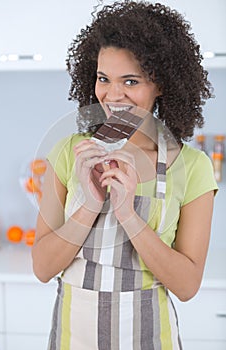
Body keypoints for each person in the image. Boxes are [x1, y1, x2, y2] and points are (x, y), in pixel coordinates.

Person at [32, 1, 218, 349]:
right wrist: (90, 204)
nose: (112, 95)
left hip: (149, 339)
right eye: (104, 78)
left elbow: (187, 285)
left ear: (161, 84)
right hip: (74, 339)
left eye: (130, 81)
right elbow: (42, 268)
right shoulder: (70, 153)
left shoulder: (192, 166)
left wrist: (128, 215)